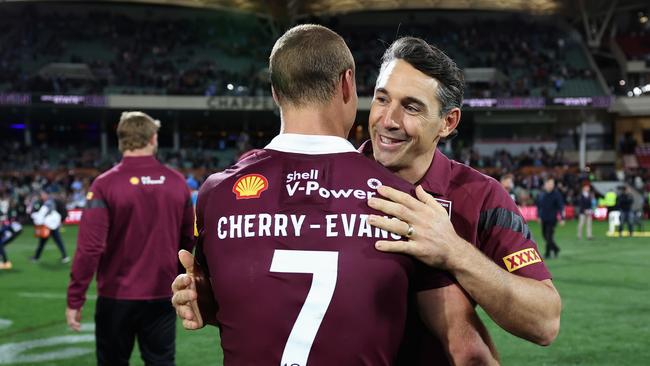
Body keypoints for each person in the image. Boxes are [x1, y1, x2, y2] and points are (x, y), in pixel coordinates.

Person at [171, 25, 495, 365]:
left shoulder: (218, 193)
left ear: (276, 93)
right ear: (347, 83)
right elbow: (467, 350)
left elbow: (214, 299)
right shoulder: (401, 199)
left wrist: (202, 300)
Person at [359, 37, 560, 364]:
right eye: (382, 99)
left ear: (448, 122)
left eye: (411, 107)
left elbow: (545, 322)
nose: (388, 120)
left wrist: (453, 251)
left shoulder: (481, 196)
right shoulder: (332, 181)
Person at [66, 111, 195, 366]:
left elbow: (90, 248)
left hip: (117, 296)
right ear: (153, 138)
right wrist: (183, 281)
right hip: (162, 294)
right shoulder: (176, 182)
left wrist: (75, 298)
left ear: (120, 140)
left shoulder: (105, 184)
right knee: (161, 362)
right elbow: (189, 241)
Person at [30, 190, 70, 263]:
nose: (41, 197)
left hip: (49, 226)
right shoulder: (50, 201)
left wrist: (37, 217)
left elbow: (46, 213)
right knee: (57, 241)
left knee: (43, 241)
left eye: (42, 195)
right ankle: (65, 256)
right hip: (52, 225)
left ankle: (36, 257)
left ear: (46, 194)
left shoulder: (49, 202)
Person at [536, 177, 565, 258]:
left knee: (549, 236)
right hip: (544, 218)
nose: (551, 185)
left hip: (552, 219)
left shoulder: (556, 194)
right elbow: (539, 206)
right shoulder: (542, 194)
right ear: (545, 184)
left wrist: (562, 218)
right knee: (544, 236)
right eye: (549, 183)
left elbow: (561, 207)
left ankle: (547, 253)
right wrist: (539, 216)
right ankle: (556, 249)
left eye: (552, 184)